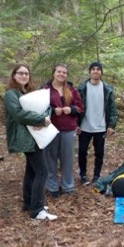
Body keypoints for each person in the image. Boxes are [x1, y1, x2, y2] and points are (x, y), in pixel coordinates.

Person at [3, 64, 57, 220]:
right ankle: (37, 210)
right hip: (25, 138)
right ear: (14, 75)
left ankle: (29, 203)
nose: (24, 76)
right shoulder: (10, 94)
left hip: (34, 136)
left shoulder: (26, 92)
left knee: (32, 171)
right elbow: (18, 114)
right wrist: (41, 120)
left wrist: (45, 119)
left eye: (26, 73)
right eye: (20, 73)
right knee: (42, 171)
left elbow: (44, 107)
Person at [43, 64, 83, 197]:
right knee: (50, 159)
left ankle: (68, 186)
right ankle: (53, 187)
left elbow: (79, 107)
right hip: (50, 129)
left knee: (67, 159)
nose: (62, 74)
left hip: (68, 129)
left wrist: (70, 109)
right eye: (59, 72)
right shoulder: (45, 89)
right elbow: (40, 107)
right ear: (53, 73)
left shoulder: (71, 89)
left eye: (64, 72)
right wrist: (53, 111)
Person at [77, 62, 118, 186]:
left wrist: (111, 125)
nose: (95, 71)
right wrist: (76, 124)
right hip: (84, 126)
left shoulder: (107, 89)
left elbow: (112, 109)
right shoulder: (82, 88)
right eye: (93, 69)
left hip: (101, 126)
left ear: (101, 72)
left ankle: (96, 175)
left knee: (99, 153)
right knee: (82, 151)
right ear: (90, 72)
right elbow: (77, 107)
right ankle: (83, 175)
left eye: (98, 69)